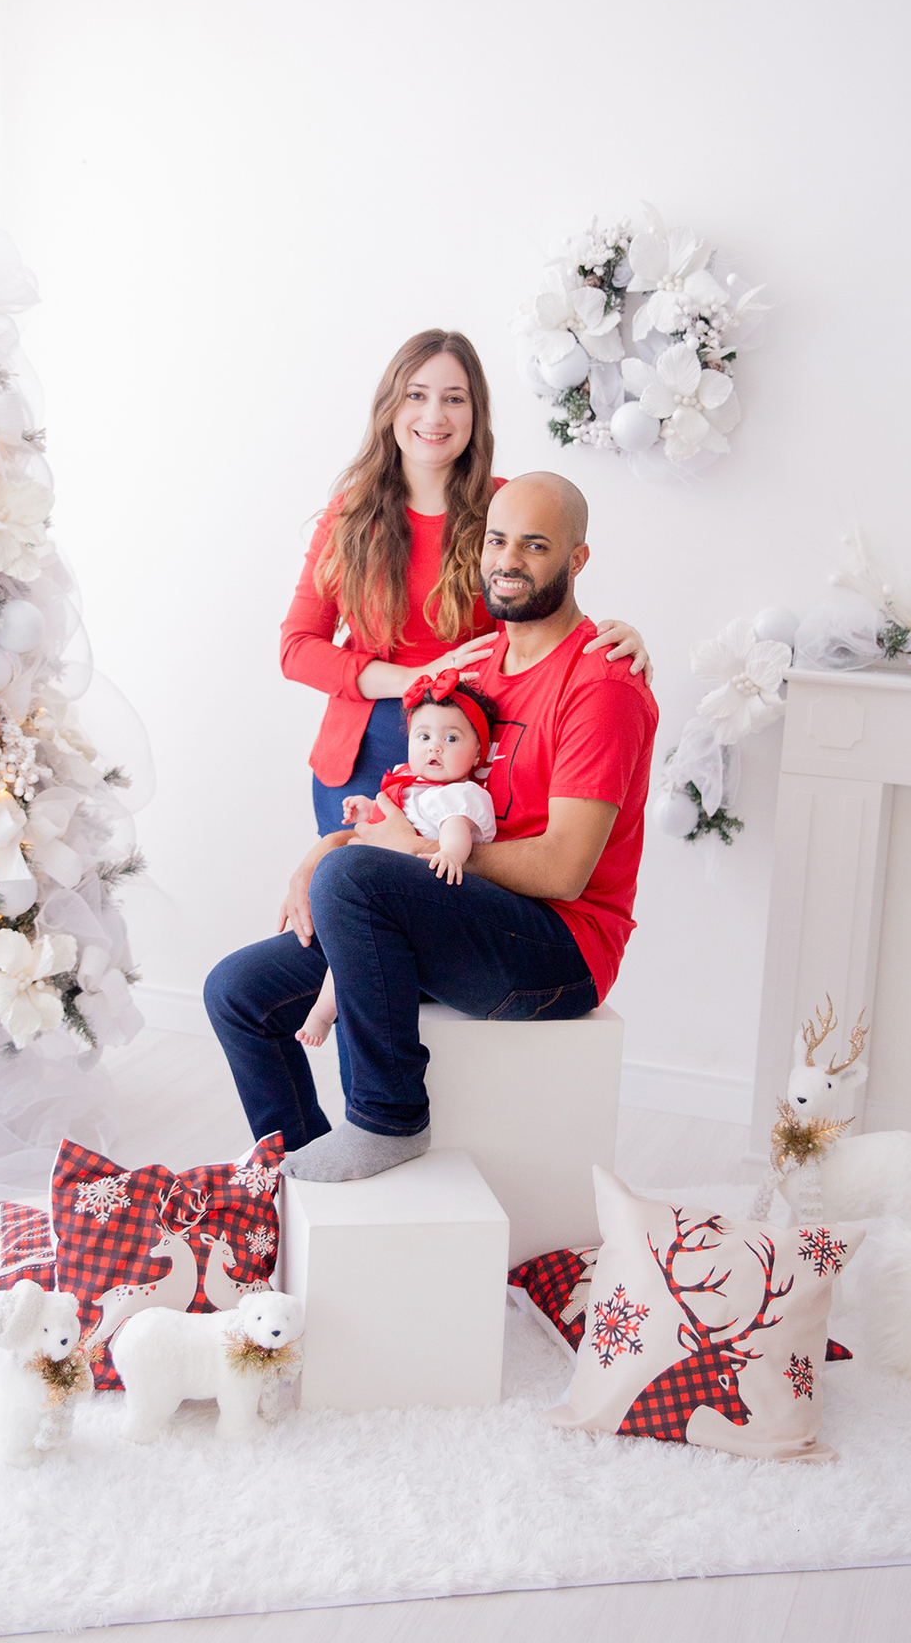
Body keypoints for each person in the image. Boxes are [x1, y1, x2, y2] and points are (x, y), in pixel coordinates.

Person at [205, 471, 659, 1181]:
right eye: (498, 539)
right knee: (238, 992)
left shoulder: (601, 684)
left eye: (535, 546)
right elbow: (412, 793)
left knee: (358, 880)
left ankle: (387, 1121)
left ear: (576, 561)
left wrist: (410, 855)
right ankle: (292, 1178)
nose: (508, 560)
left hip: (557, 949)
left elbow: (565, 871)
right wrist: (325, 849)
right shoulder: (479, 665)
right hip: (462, 917)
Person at [279, 329, 650, 834]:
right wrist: (418, 678)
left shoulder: (504, 507)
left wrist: (615, 637)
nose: (435, 416)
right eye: (416, 395)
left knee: (445, 902)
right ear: (390, 407)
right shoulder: (347, 517)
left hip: (471, 753)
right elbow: (298, 649)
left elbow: (545, 607)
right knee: (351, 899)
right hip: (362, 754)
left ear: (475, 416)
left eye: (454, 399)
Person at [295, 672, 501, 1050]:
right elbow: (389, 819)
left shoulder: (459, 795)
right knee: (344, 954)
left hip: (419, 894)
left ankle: (328, 1014)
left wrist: (449, 853)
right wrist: (365, 809)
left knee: (356, 950)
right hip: (377, 894)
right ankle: (325, 1013)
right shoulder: (408, 785)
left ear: (477, 753)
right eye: (424, 738)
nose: (434, 748)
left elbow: (455, 829)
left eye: (450, 738)